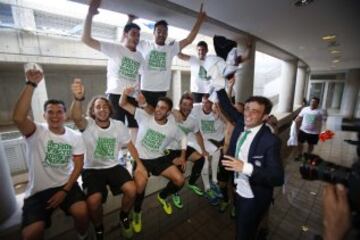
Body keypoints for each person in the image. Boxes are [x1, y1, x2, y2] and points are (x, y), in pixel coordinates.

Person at [13, 68, 89, 240]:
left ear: (65, 115)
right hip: (37, 192)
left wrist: (65, 190)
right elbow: (18, 118)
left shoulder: (75, 136)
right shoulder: (36, 131)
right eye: (51, 112)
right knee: (32, 232)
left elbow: (78, 165)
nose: (55, 116)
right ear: (44, 115)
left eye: (59, 112)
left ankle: (83, 236)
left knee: (82, 213)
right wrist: (31, 84)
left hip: (66, 185)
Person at [70, 79, 143, 239]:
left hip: (114, 166)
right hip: (92, 169)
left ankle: (124, 216)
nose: (102, 109)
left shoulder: (118, 125)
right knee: (93, 202)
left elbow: (130, 145)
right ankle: (99, 228)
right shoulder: (87, 125)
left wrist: (140, 164)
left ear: (110, 110)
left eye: (105, 106)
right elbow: (76, 117)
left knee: (132, 189)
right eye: (98, 107)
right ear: (93, 111)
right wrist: (77, 99)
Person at [119, 87, 187, 233]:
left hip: (158, 159)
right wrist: (125, 93)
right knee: (141, 184)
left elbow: (183, 138)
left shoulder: (172, 127)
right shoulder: (144, 116)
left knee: (180, 180)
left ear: (168, 112)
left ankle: (162, 196)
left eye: (163, 108)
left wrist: (182, 156)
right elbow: (123, 104)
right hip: (141, 159)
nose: (158, 110)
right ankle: (137, 212)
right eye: (157, 107)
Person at [219, 89, 284, 240]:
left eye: (255, 111)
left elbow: (277, 178)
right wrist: (219, 86)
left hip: (254, 195)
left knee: (243, 233)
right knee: (244, 228)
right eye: (247, 108)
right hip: (239, 189)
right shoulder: (242, 122)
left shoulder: (270, 141)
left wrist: (246, 168)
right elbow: (227, 107)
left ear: (265, 116)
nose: (248, 113)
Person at [82, 0, 144, 139]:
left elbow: (138, 76)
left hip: (132, 95)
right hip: (116, 94)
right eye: (133, 34)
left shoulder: (139, 55)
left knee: (135, 125)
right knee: (117, 126)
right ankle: (119, 154)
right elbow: (86, 39)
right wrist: (90, 14)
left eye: (138, 35)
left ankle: (133, 154)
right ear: (126, 34)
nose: (137, 38)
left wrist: (130, 20)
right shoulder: (115, 49)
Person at [132, 4, 206, 108]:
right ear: (154, 32)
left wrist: (199, 21)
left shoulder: (171, 49)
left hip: (162, 91)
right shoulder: (145, 44)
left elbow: (189, 39)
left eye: (165, 32)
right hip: (145, 90)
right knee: (144, 119)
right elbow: (129, 40)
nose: (162, 34)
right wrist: (130, 21)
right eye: (159, 31)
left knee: (159, 119)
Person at [170, 92, 209, 208]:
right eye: (184, 104)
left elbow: (198, 135)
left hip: (184, 147)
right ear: (179, 104)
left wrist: (203, 150)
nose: (186, 107)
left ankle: (191, 183)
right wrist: (172, 110)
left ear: (192, 107)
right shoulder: (172, 115)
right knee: (179, 168)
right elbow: (160, 109)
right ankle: (174, 191)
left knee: (201, 159)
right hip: (170, 148)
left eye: (189, 105)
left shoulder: (192, 120)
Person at [190, 94, 226, 205]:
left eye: (208, 102)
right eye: (203, 102)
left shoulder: (218, 114)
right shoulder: (196, 109)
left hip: (210, 140)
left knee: (217, 151)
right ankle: (207, 188)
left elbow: (228, 123)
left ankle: (214, 180)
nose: (205, 105)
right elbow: (181, 109)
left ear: (213, 103)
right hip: (196, 139)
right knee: (204, 159)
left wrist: (219, 112)